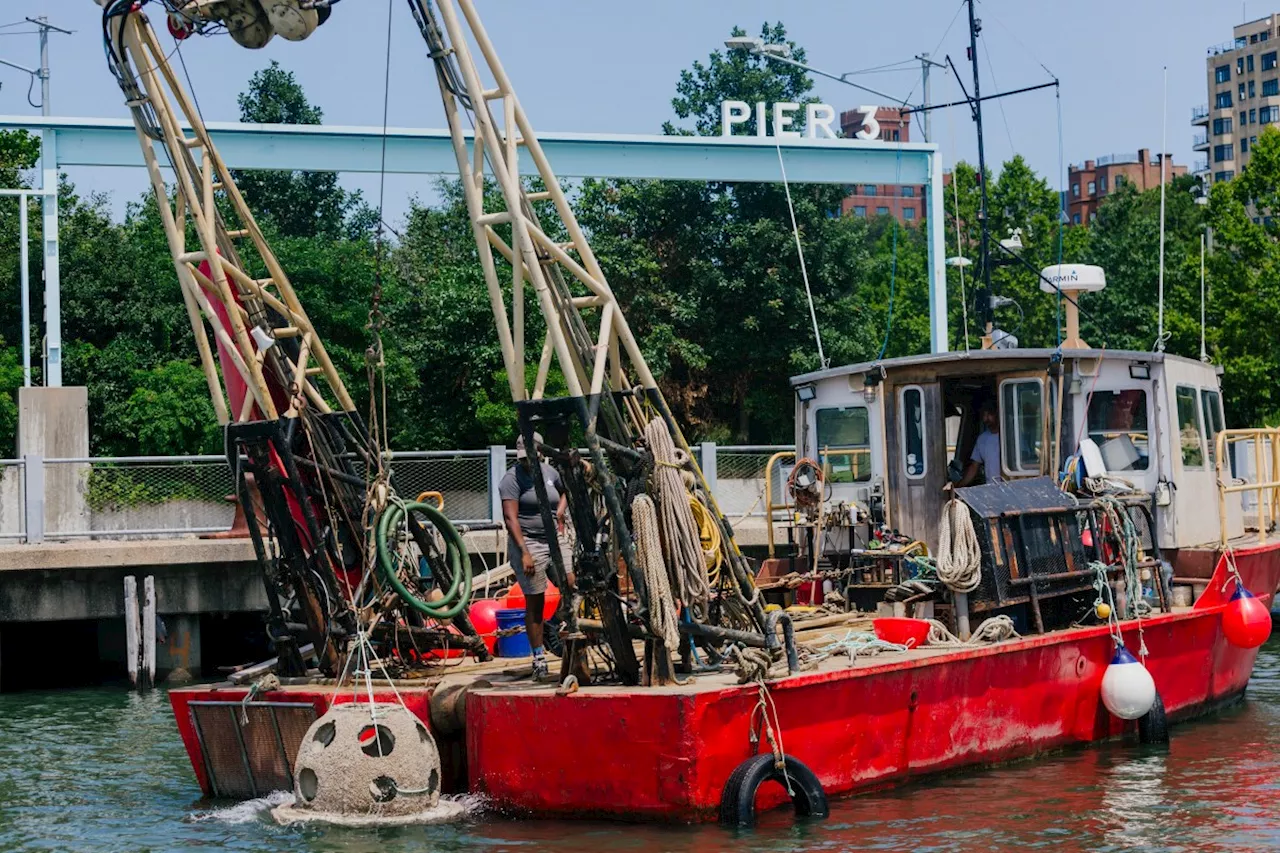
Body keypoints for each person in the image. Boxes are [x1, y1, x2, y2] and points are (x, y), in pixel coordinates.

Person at [500, 432, 572, 678]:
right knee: (536, 600)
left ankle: (559, 623)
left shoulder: (550, 473)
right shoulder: (511, 479)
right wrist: (524, 553)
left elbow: (565, 492)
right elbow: (511, 518)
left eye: (530, 457)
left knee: (572, 584)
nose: (526, 463)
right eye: (522, 459)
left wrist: (560, 513)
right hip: (529, 542)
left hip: (554, 539)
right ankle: (539, 657)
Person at [953, 400, 1002, 487]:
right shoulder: (982, 439)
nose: (986, 419)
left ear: (997, 414)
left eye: (989, 414)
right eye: (984, 415)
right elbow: (974, 467)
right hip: (991, 490)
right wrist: (959, 486)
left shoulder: (1011, 436)